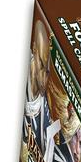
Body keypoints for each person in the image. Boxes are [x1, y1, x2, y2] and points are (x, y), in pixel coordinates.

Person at [23, 20, 51, 153]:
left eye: (47, 71)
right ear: (34, 49)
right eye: (41, 65)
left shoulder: (45, 104)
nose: (44, 78)